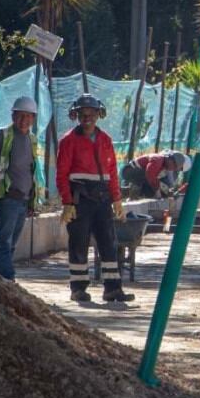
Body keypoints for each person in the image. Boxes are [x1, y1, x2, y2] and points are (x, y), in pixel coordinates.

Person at [56, 93, 133, 304]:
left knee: (109, 242)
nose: (87, 118)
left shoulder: (105, 140)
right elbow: (62, 174)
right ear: (77, 115)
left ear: (99, 114)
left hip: (102, 198)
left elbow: (112, 171)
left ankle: (113, 289)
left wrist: (117, 199)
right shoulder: (69, 141)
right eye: (83, 114)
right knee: (78, 243)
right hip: (80, 198)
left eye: (91, 114)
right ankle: (78, 288)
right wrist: (67, 202)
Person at [0, 96, 42, 281]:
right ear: (13, 116)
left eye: (28, 117)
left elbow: (31, 171)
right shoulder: (2, 137)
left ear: (33, 119)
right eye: (20, 116)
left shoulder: (32, 140)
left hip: (23, 200)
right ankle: (7, 277)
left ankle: (4, 279)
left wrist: (32, 199)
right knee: (3, 240)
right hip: (6, 198)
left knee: (11, 242)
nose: (24, 121)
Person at [121, 150, 192, 200]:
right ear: (171, 161)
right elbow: (149, 174)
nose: (173, 169)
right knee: (150, 181)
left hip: (136, 173)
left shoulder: (163, 164)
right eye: (174, 167)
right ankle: (132, 193)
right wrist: (157, 191)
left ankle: (128, 192)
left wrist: (161, 191)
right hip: (129, 171)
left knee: (153, 188)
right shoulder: (158, 160)